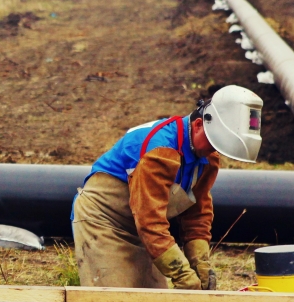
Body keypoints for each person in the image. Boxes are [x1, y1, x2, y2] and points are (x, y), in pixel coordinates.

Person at [72, 85, 264, 290]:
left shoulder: (206, 156)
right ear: (199, 125)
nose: (214, 151)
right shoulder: (160, 151)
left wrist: (199, 262)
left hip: (143, 230)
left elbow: (197, 213)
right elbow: (150, 220)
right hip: (104, 223)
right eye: (213, 144)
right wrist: (181, 272)